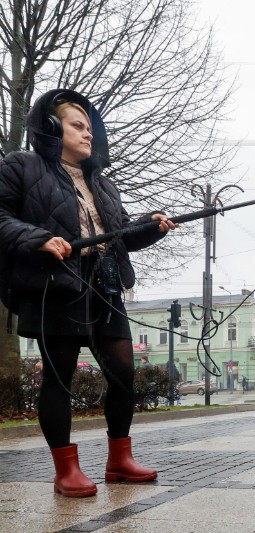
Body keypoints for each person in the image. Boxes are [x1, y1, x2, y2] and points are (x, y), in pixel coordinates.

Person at [0, 89, 176, 497]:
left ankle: (119, 460)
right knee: (59, 378)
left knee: (124, 374)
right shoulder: (20, 166)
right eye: (77, 126)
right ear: (49, 128)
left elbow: (121, 235)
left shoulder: (103, 182)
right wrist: (39, 238)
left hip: (105, 284)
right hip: (54, 285)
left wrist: (151, 226)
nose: (88, 134)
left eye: (90, 127)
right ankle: (66, 470)